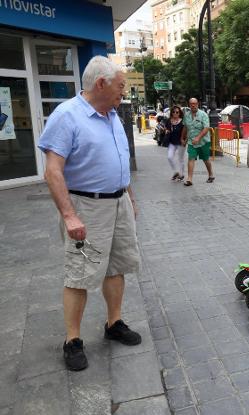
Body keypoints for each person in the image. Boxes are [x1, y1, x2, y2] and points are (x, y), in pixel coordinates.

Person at [38, 56, 142, 371]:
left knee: (116, 267)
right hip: (87, 206)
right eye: (121, 86)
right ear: (101, 83)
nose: (124, 93)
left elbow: (119, 161)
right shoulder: (67, 116)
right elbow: (53, 172)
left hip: (118, 202)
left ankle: (114, 323)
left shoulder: (111, 114)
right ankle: (72, 340)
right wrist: (70, 216)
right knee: (80, 275)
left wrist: (129, 196)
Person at [182, 98, 214, 186]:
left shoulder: (203, 115)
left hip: (203, 141)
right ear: (189, 105)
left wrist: (198, 138)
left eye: (195, 103)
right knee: (191, 158)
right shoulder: (187, 115)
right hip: (192, 142)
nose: (193, 105)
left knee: (206, 159)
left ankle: (211, 175)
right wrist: (183, 138)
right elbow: (185, 127)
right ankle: (189, 179)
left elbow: (206, 128)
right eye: (191, 103)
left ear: (197, 104)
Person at [166, 105, 186, 181]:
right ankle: (176, 172)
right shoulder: (169, 120)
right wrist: (166, 131)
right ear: (171, 113)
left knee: (181, 159)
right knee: (169, 157)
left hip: (181, 142)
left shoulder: (182, 121)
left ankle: (182, 174)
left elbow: (186, 131)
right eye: (173, 112)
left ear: (179, 113)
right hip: (172, 142)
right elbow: (167, 128)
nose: (175, 113)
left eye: (177, 112)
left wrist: (185, 140)